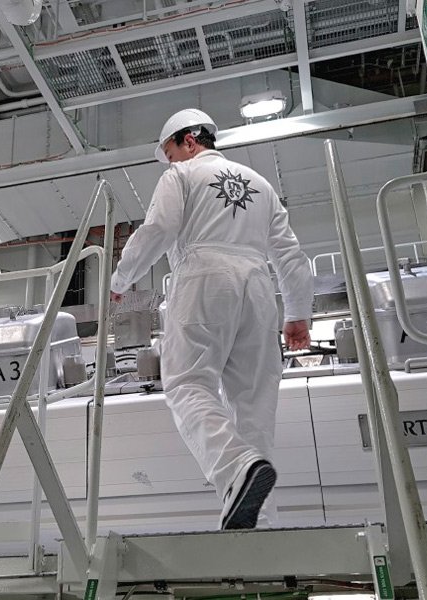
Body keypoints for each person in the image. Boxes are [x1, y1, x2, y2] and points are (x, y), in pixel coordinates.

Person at [110, 108, 314, 530]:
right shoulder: (261, 185)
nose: (169, 162)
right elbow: (291, 256)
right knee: (255, 408)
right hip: (259, 290)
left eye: (170, 153)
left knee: (187, 384)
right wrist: (297, 314)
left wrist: (121, 277)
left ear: (189, 141)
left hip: (204, 278)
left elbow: (159, 228)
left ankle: (235, 468)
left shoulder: (181, 177)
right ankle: (261, 524)